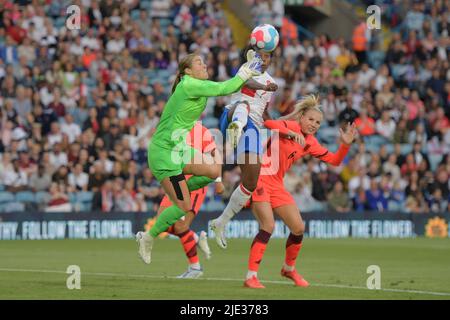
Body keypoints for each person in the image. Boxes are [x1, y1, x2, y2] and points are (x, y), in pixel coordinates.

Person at [136, 52, 262, 264]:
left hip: (179, 149)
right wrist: (245, 71)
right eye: (198, 62)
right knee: (184, 207)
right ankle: (147, 238)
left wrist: (246, 67)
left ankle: (181, 194)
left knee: (214, 171)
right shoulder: (188, 84)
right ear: (187, 71)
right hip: (165, 154)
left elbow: (227, 88)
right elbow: (225, 88)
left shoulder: (196, 86)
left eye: (204, 61)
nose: (204, 64)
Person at [242, 95, 357, 288]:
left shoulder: (310, 143)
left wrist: (345, 145)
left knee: (298, 228)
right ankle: (251, 276)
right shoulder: (291, 126)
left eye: (318, 122)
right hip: (260, 177)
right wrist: (289, 132)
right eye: (311, 119)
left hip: (277, 185)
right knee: (268, 226)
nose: (313, 124)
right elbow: (269, 123)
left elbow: (335, 161)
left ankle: (288, 269)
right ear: (302, 117)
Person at [210, 47, 278, 249]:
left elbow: (264, 112)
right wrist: (265, 88)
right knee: (243, 106)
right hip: (232, 115)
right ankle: (235, 129)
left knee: (251, 181)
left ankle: (220, 223)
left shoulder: (270, 81)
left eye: (267, 57)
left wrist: (279, 127)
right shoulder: (248, 68)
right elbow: (246, 82)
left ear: (271, 59)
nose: (264, 60)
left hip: (252, 130)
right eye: (261, 56)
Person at [156, 122, 224, 278]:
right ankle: (195, 237)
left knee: (181, 227)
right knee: (161, 222)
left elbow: (215, 156)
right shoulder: (171, 128)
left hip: (194, 183)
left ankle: (195, 267)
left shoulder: (201, 131)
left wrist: (218, 181)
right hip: (175, 181)